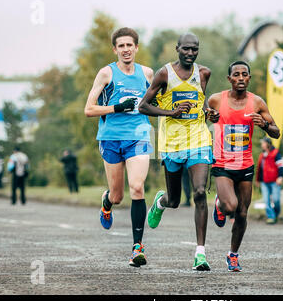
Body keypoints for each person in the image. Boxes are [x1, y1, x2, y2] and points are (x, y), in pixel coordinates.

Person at [139, 33, 217, 271]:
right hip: (172, 143)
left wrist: (210, 114)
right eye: (186, 49)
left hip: (199, 139)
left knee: (201, 192)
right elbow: (143, 106)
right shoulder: (164, 74)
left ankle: (200, 254)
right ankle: (160, 203)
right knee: (174, 200)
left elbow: (201, 104)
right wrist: (170, 113)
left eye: (195, 49)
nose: (191, 53)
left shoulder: (203, 73)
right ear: (177, 49)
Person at [84, 27, 154, 267]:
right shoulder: (106, 74)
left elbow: (158, 101)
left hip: (138, 136)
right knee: (118, 195)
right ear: (115, 49)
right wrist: (117, 107)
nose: (126, 49)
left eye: (129, 45)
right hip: (111, 137)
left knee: (137, 187)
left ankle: (137, 247)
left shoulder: (147, 73)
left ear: (136, 47)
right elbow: (88, 109)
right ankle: (107, 202)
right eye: (121, 46)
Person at [208, 61, 280, 272]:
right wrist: (208, 116)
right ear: (229, 79)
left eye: (244, 74)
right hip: (222, 163)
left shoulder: (257, 103)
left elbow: (276, 132)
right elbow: (201, 116)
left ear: (249, 78)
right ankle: (220, 205)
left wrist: (264, 125)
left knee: (241, 213)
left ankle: (233, 255)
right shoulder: (216, 99)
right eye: (236, 74)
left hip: (245, 165)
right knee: (230, 206)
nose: (240, 77)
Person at [256, 137, 283, 225]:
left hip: (274, 181)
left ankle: (276, 213)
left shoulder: (276, 153)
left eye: (263, 143)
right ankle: (271, 217)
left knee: (276, 200)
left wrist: (280, 177)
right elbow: (259, 169)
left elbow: (281, 165)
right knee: (266, 200)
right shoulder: (262, 155)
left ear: (267, 144)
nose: (262, 145)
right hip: (264, 182)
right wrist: (257, 180)